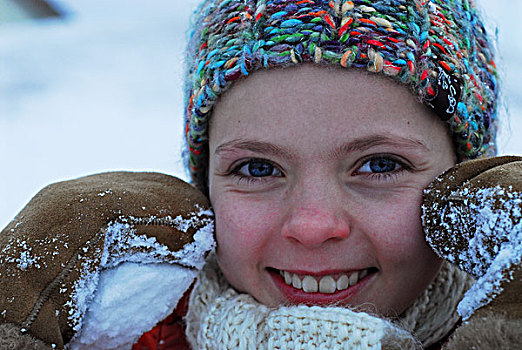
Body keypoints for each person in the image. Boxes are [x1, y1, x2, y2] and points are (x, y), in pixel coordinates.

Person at [1, 0, 521, 349]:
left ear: (467, 180)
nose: (314, 226)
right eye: (257, 169)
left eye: (380, 165)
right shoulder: (125, 335)